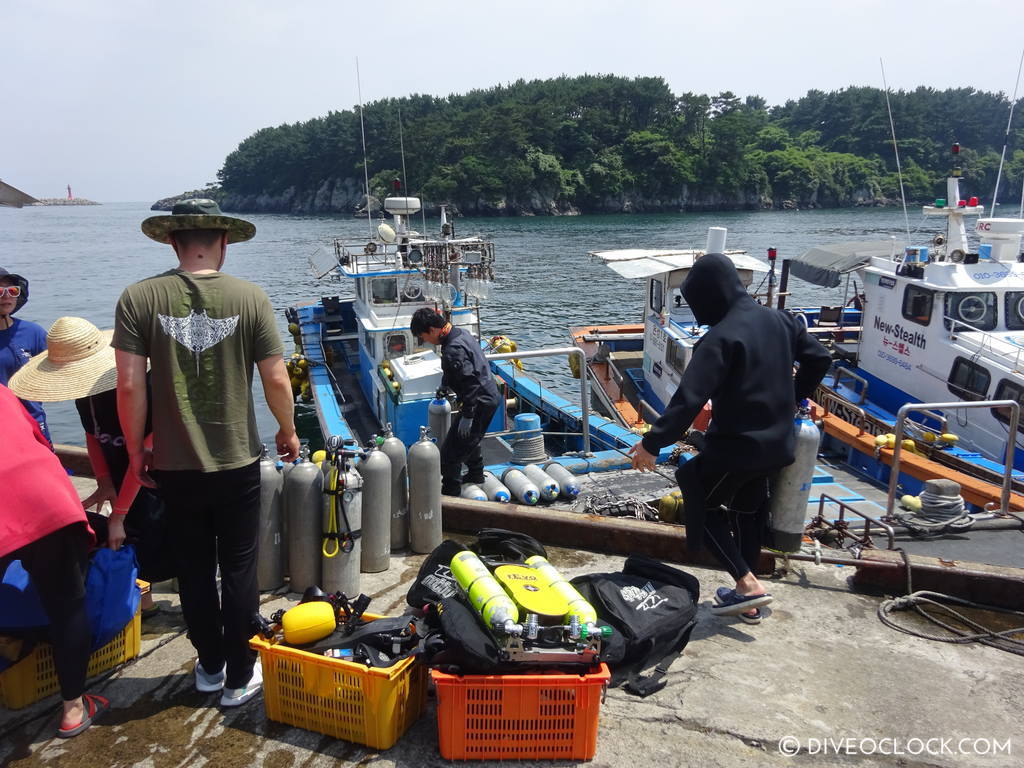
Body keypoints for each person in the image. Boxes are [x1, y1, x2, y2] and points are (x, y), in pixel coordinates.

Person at [112, 198, 300, 707]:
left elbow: (129, 388)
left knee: (192, 569)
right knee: (238, 569)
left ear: (173, 241)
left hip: (173, 464)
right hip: (236, 458)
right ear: (224, 243)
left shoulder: (138, 297)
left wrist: (135, 452)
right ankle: (241, 674)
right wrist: (288, 430)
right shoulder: (250, 297)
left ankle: (210, 666)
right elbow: (276, 377)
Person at [629, 253, 830, 624]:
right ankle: (747, 600)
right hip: (780, 444)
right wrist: (793, 397)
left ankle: (748, 584)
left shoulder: (720, 338)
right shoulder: (782, 321)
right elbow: (819, 359)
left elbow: (687, 400)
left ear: (710, 294)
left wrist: (651, 444)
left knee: (696, 488)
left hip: (740, 446)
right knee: (746, 508)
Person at [8, 317, 175, 605]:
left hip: (160, 470)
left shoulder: (144, 387)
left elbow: (147, 454)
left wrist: (118, 515)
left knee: (168, 533)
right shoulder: (85, 394)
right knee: (129, 535)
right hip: (121, 470)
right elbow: (93, 433)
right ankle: (139, 598)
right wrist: (104, 481)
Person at [0, 383, 107, 738]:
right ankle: (73, 709)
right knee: (67, 607)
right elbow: (38, 441)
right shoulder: (2, 392)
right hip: (45, 494)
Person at [410, 307, 500, 496]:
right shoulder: (460, 333)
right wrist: (445, 385)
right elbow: (456, 372)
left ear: (433, 330)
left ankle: (451, 498)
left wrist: (468, 415)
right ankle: (476, 475)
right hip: (486, 396)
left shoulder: (452, 349)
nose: (425, 341)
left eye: (424, 336)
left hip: (478, 401)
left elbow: (471, 384)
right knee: (467, 438)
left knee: (450, 455)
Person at [0, 267, 50, 441]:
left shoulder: (33, 332)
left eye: (12, 290)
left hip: (34, 423)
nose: (6, 296)